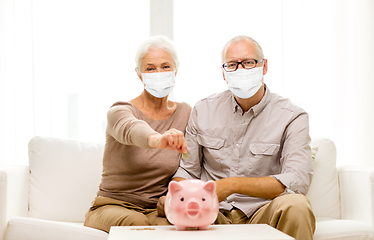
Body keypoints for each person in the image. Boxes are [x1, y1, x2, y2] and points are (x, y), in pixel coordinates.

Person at [158, 35, 315, 240]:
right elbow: (188, 169)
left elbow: (297, 180)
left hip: (263, 210)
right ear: (224, 73)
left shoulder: (292, 116)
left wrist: (232, 184)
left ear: (264, 66)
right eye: (232, 65)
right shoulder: (203, 110)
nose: (240, 70)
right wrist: (175, 195)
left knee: (297, 205)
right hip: (211, 213)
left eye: (248, 62)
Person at [84, 35, 192, 233]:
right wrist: (157, 139)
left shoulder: (186, 113)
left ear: (176, 71)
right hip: (112, 206)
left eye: (165, 66)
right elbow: (131, 128)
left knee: (183, 227)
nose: (158, 72)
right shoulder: (120, 110)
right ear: (139, 74)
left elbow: (190, 163)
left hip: (155, 210)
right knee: (137, 225)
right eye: (150, 68)